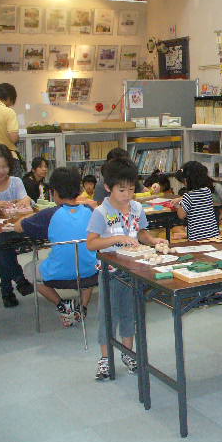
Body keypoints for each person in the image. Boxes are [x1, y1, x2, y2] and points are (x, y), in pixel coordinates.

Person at [86, 157, 167, 380]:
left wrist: (153, 241)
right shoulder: (101, 212)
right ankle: (105, 358)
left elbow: (141, 233)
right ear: (108, 187)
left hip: (133, 271)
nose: (127, 195)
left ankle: (128, 353)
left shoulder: (137, 208)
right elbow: (91, 243)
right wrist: (117, 239)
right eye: (121, 190)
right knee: (108, 314)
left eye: (131, 189)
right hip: (109, 273)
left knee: (130, 313)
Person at [15, 167, 97, 327]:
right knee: (85, 257)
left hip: (59, 275)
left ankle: (62, 305)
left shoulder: (49, 214)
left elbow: (18, 226)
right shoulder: (90, 211)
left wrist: (31, 214)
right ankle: (82, 307)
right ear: (79, 189)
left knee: (28, 270)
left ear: (54, 192)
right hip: (90, 274)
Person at [0, 144, 34, 307]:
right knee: (1, 242)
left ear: (10, 166)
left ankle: (7, 290)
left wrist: (25, 200)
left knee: (1, 246)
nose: (1, 171)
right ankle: (18, 279)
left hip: (15, 229)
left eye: (4, 166)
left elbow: (26, 200)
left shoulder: (16, 182)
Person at [172, 161, 220, 240]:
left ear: (187, 180)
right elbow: (197, 198)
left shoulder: (188, 196)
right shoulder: (207, 191)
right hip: (213, 235)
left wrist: (181, 203)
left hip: (197, 237)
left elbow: (181, 215)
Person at [0, 83, 24, 176]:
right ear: (9, 97)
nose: (10, 105)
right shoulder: (8, 112)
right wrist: (17, 137)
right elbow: (13, 138)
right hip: (7, 158)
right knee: (12, 184)